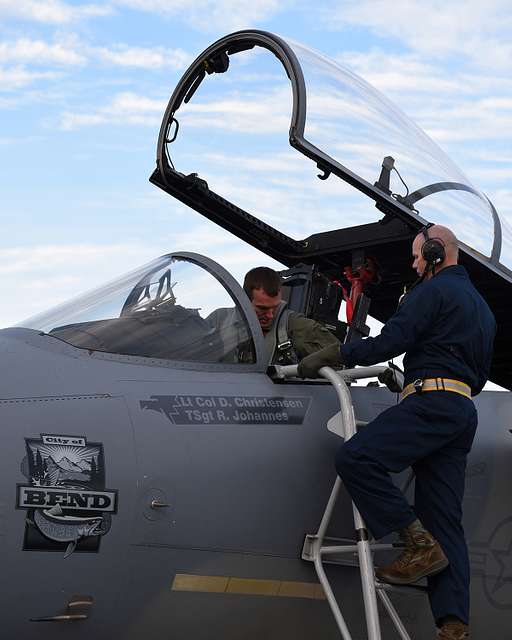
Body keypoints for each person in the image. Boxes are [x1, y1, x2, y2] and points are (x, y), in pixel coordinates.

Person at [297, 225, 496, 640]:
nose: (413, 263)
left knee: (357, 457)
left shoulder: (433, 291)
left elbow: (392, 341)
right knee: (445, 519)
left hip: (430, 403)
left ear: (436, 254)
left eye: (417, 255)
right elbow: (476, 377)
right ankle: (453, 624)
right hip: (461, 410)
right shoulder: (482, 308)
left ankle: (415, 542)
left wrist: (337, 353)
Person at [243, 266, 340, 363]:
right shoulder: (228, 323)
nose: (270, 315)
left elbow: (340, 356)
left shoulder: (297, 326)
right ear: (245, 301)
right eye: (263, 308)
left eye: (275, 307)